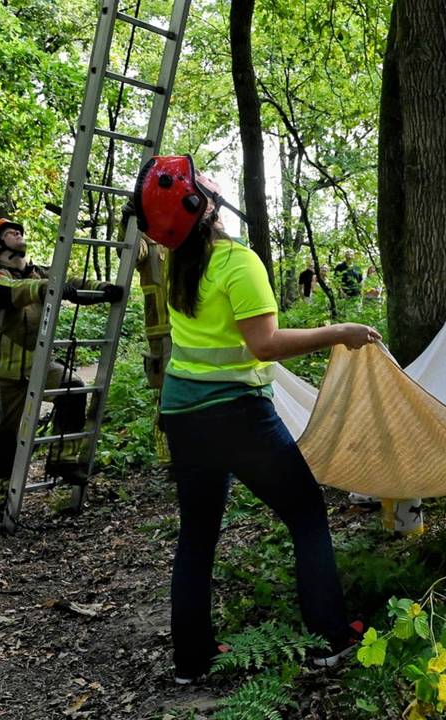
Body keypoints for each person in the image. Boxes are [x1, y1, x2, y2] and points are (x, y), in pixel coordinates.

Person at [134, 155, 379, 684]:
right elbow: (264, 344)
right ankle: (331, 640)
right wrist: (339, 331)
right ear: (199, 204)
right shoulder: (237, 261)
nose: (211, 187)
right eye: (201, 186)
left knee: (197, 534)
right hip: (237, 415)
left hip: (182, 413)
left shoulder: (181, 265)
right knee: (308, 516)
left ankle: (191, 660)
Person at [0, 218, 125, 526]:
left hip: (38, 364)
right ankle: (1, 504)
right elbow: (9, 293)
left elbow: (74, 284)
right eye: (10, 233)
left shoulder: (40, 273)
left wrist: (104, 290)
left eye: (20, 231)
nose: (18, 234)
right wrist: (50, 289)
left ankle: (63, 460)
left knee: (73, 389)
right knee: (3, 441)